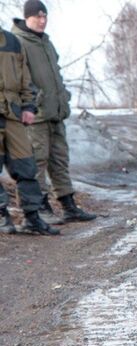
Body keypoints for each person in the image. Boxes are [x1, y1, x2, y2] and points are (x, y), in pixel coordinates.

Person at [11, 0, 96, 224]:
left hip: (55, 113)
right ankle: (38, 210)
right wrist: (32, 102)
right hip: (34, 116)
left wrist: (63, 97)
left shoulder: (45, 43)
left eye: (45, 17)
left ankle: (68, 205)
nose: (42, 21)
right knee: (35, 162)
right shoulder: (17, 43)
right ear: (26, 17)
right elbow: (16, 80)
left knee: (60, 160)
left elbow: (54, 75)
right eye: (37, 17)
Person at [0, 20, 58, 235]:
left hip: (14, 115)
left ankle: (32, 217)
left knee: (26, 166)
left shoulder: (12, 41)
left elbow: (25, 79)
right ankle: (2, 215)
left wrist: (29, 106)